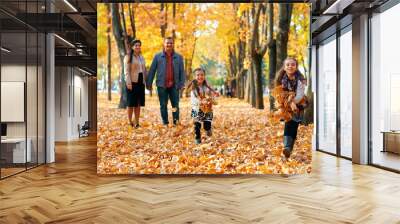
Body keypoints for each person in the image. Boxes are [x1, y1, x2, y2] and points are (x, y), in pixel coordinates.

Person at [146, 37, 186, 125]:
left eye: (171, 43)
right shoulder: (157, 56)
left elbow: (182, 72)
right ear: (164, 44)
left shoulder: (178, 57)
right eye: (167, 43)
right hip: (161, 85)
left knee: (175, 105)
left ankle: (176, 121)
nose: (169, 45)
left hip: (174, 86)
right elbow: (152, 70)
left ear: (173, 44)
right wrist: (148, 83)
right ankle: (165, 123)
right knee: (163, 105)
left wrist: (182, 83)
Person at [274, 57, 308, 158]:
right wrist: (289, 103)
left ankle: (288, 149)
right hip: (285, 105)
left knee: (294, 126)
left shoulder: (300, 80)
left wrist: (293, 102)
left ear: (296, 67)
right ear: (284, 67)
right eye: (288, 64)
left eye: (293, 64)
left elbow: (300, 95)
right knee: (289, 123)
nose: (290, 66)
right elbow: (279, 94)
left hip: (299, 105)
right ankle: (287, 147)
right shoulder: (280, 80)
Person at [189, 68, 219, 144]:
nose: (200, 77)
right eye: (198, 75)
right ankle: (197, 139)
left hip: (207, 109)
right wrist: (200, 101)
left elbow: (212, 96)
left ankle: (208, 129)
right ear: (194, 77)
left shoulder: (208, 87)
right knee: (197, 125)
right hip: (196, 109)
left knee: (207, 125)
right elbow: (193, 100)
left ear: (204, 76)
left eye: (202, 75)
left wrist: (214, 97)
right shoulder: (193, 88)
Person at [124, 38, 146, 128]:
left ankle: (137, 122)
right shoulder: (128, 57)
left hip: (141, 82)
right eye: (136, 45)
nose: (138, 47)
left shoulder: (141, 57)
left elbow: (144, 70)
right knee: (131, 104)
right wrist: (128, 82)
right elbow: (126, 71)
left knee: (138, 103)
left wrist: (146, 81)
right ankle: (130, 122)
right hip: (132, 82)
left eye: (139, 45)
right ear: (132, 47)